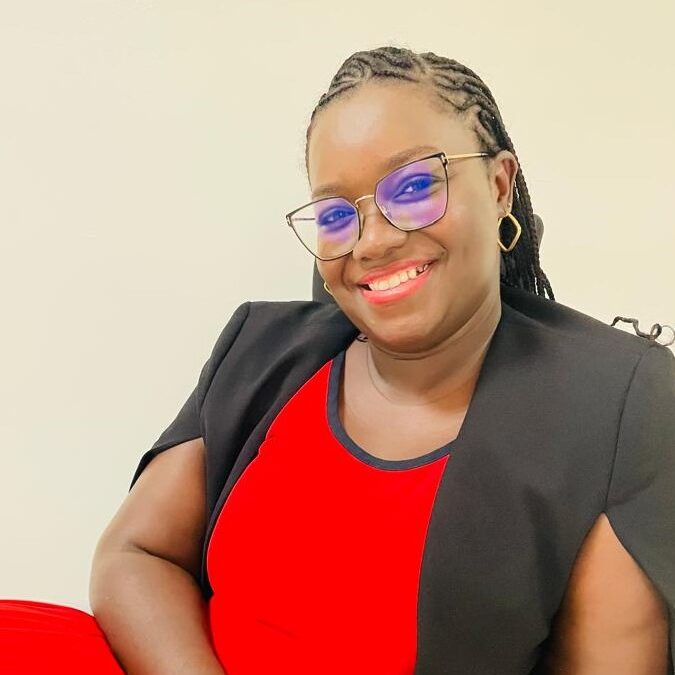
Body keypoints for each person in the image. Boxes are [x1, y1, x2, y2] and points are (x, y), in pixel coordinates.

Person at [1, 46, 673, 675]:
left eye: (412, 187)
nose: (372, 239)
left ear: (499, 185)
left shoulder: (614, 405)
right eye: (334, 213)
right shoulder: (263, 348)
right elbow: (134, 552)